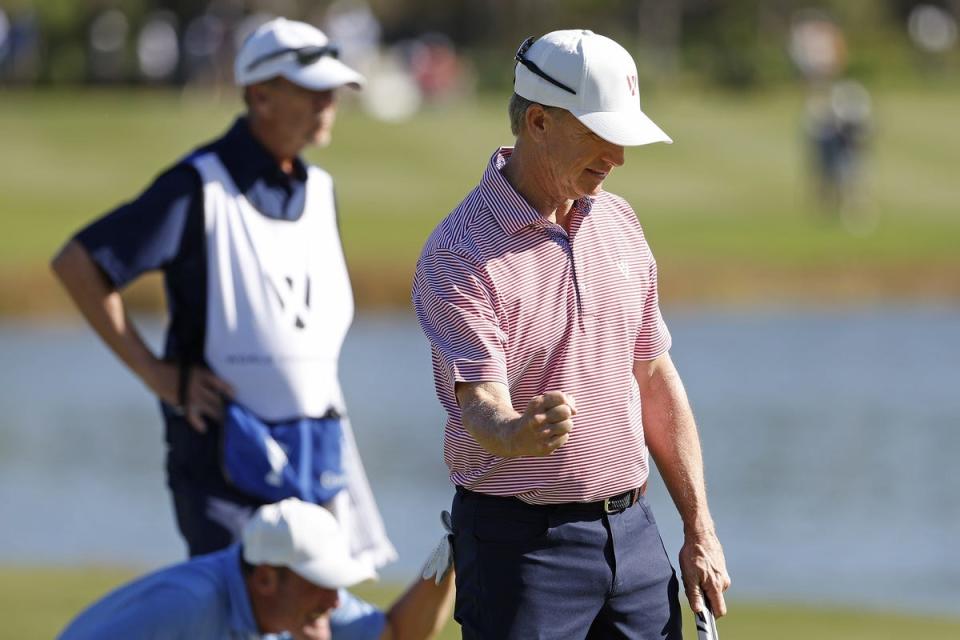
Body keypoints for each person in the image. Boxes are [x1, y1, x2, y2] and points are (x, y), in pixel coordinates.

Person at [412, 30, 731, 639]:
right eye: (599, 136)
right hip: (522, 548)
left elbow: (654, 379)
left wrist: (699, 528)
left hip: (634, 537)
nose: (617, 157)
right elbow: (478, 398)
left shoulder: (619, 222)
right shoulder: (460, 251)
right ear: (538, 122)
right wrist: (515, 432)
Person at [51, 17, 394, 566]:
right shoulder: (196, 187)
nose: (328, 102)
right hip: (223, 457)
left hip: (317, 450)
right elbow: (79, 264)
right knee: (237, 611)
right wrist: (154, 373)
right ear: (260, 95)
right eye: (312, 90)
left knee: (316, 615)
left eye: (331, 90)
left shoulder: (320, 190)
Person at [58, 498, 455, 640]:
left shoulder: (301, 603)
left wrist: (453, 553)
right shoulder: (186, 605)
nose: (335, 601)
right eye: (321, 584)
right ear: (265, 577)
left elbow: (397, 634)